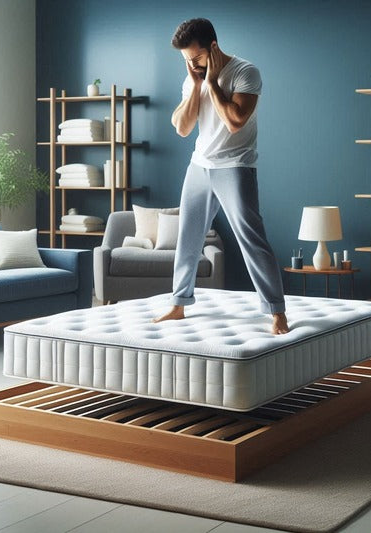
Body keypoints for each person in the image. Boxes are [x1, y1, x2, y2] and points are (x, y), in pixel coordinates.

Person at [153, 18, 289, 335]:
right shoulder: (193, 78)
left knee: (252, 239)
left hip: (235, 165)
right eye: (186, 60)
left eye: (197, 58)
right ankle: (178, 304)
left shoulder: (245, 72)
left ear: (213, 48)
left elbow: (235, 121)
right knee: (187, 238)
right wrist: (198, 85)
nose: (192, 64)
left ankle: (277, 311)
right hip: (199, 166)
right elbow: (182, 127)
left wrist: (212, 83)